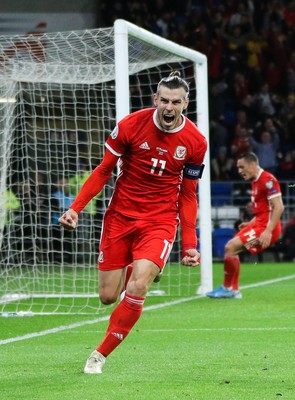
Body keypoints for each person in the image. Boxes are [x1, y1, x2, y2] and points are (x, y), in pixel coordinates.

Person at [58, 71, 207, 374]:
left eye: (175, 102)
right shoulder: (129, 126)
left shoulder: (195, 142)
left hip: (160, 221)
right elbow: (103, 170)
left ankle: (98, 356)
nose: (169, 107)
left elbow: (188, 195)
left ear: (185, 104)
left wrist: (190, 244)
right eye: (164, 100)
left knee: (138, 285)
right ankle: (134, 267)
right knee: (107, 297)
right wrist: (76, 208)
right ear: (155, 99)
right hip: (120, 217)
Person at [206, 151, 284, 299]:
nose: (240, 171)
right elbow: (265, 210)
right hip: (260, 224)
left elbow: (279, 207)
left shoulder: (268, 180)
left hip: (266, 228)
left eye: (242, 167)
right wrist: (250, 222)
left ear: (253, 164)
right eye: (238, 168)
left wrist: (267, 231)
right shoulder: (256, 181)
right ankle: (233, 290)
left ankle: (228, 288)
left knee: (231, 247)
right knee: (232, 249)